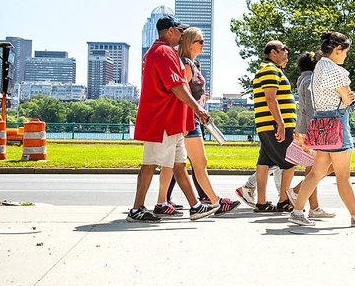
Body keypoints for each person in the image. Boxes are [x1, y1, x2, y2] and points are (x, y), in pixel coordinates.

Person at [126, 15, 219, 222]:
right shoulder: (163, 52)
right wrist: (198, 109)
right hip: (162, 120)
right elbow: (177, 86)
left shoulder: (162, 52)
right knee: (150, 164)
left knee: (179, 165)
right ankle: (136, 209)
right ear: (169, 31)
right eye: (179, 30)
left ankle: (195, 207)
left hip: (171, 120)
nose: (182, 34)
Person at [288, 32, 355, 227]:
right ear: (337, 50)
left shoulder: (319, 66)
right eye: (345, 51)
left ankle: (297, 211)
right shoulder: (336, 70)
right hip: (336, 122)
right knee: (343, 176)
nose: (346, 55)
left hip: (320, 122)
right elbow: (346, 99)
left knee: (315, 173)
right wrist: (351, 97)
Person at [158, 27, 240, 216]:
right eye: (200, 41)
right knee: (198, 162)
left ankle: (163, 202)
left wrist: (200, 102)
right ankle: (215, 202)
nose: (203, 45)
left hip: (190, 119)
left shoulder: (191, 64)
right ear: (189, 43)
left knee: (174, 164)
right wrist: (197, 107)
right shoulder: (186, 64)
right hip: (188, 120)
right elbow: (180, 93)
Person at [285, 50, 335, 218]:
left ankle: (311, 204)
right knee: (321, 167)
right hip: (313, 129)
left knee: (314, 168)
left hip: (306, 128)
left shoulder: (305, 79)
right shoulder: (309, 81)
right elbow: (313, 108)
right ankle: (301, 196)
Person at [251, 40, 297, 212]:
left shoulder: (270, 69)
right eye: (283, 49)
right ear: (273, 52)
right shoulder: (270, 70)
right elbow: (271, 98)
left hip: (267, 124)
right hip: (274, 124)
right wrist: (281, 123)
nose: (287, 52)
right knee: (291, 161)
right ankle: (284, 200)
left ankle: (261, 203)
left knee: (264, 162)